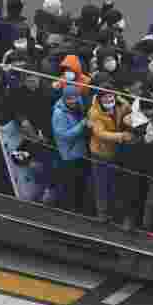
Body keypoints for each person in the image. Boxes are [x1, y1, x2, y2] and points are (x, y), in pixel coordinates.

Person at [114, 110, 153, 232]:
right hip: (141, 172)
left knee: (152, 201)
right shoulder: (144, 134)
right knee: (135, 197)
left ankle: (146, 228)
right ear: (151, 123)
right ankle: (132, 221)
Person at [87, 83, 132, 223]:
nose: (109, 100)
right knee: (101, 184)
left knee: (114, 184)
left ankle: (113, 213)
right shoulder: (94, 112)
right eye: (105, 98)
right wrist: (121, 136)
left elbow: (131, 113)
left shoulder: (122, 104)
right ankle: (102, 214)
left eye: (111, 96)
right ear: (100, 99)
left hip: (115, 152)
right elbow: (100, 133)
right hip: (100, 152)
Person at [51, 85, 91, 214]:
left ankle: (79, 208)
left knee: (81, 183)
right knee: (71, 185)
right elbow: (64, 136)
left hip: (80, 151)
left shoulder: (78, 105)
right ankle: (70, 210)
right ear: (64, 98)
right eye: (69, 99)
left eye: (75, 97)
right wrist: (82, 125)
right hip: (69, 154)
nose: (72, 101)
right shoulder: (58, 113)